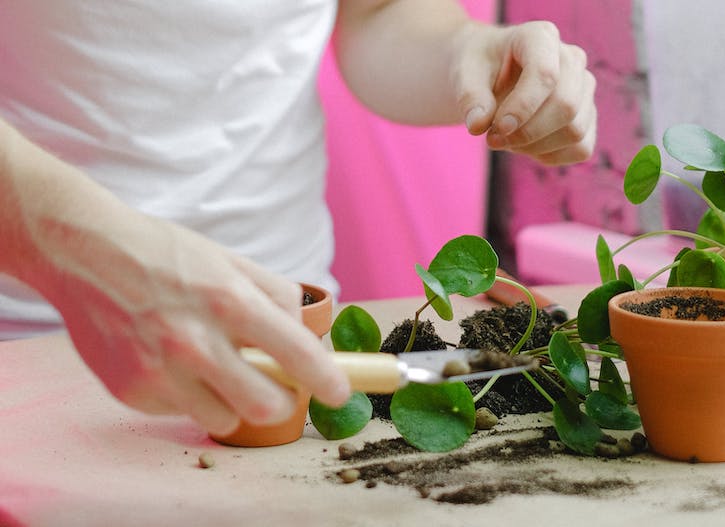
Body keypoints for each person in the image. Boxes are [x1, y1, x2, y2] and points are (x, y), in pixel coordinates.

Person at [0, 0, 597, 437]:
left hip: (292, 347)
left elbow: (379, 12)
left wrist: (465, 52)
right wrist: (74, 245)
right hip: (24, 351)